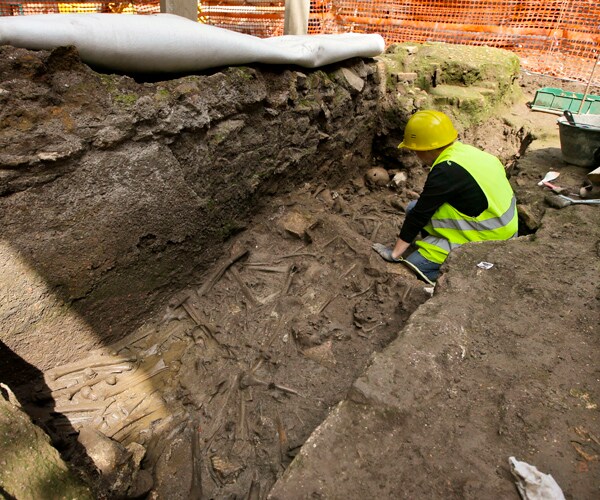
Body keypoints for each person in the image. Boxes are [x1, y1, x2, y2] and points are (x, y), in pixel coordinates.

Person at [372, 109, 518, 282]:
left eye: (415, 150)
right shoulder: (468, 153)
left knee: (414, 268)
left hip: (489, 239)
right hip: (502, 225)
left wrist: (394, 254)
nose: (416, 155)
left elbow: (420, 215)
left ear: (426, 149)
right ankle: (437, 244)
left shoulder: (446, 170)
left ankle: (461, 276)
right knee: (412, 207)